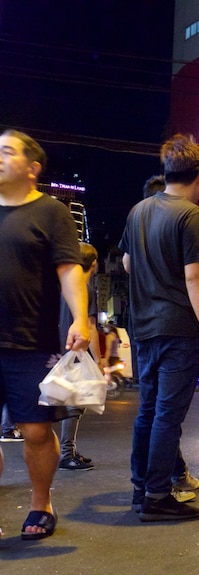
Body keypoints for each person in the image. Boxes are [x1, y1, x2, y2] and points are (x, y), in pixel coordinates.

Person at [119, 133, 199, 522]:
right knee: (167, 415)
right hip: (178, 328)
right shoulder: (189, 214)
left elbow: (127, 264)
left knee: (148, 411)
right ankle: (159, 496)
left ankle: (141, 488)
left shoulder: (139, 210)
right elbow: (195, 278)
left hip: (143, 328)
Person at [0, 129, 91, 539]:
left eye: (7, 152)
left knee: (36, 430)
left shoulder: (51, 212)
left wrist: (81, 318)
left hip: (29, 340)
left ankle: (41, 503)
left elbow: (69, 269)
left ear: (32, 168)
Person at [57, 242, 103, 471]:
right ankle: (66, 454)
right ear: (93, 264)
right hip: (76, 352)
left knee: (66, 402)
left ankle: (70, 450)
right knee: (75, 405)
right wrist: (99, 359)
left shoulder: (61, 287)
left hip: (59, 350)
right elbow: (91, 327)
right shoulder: (85, 289)